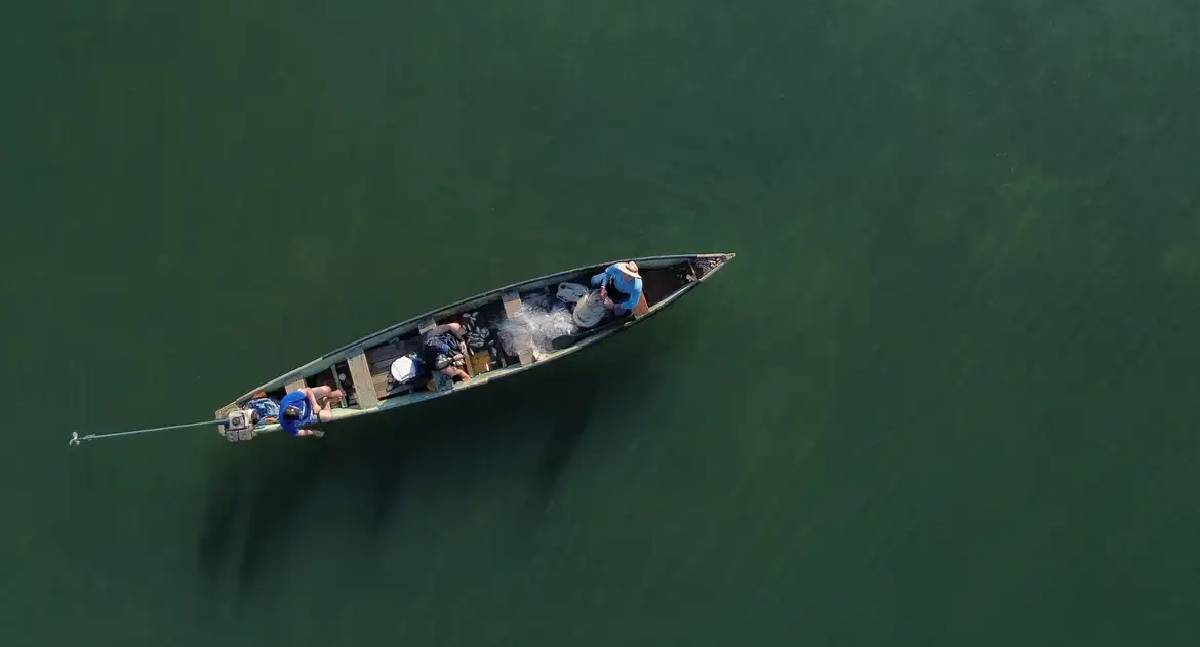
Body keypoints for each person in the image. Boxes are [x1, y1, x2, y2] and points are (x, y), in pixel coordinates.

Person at [278, 386, 344, 438]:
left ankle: (331, 395)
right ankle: (326, 401)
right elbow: (298, 433)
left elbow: (307, 390)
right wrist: (314, 432)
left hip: (307, 399)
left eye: (299, 411)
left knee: (327, 389)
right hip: (310, 415)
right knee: (328, 417)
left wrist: (314, 404)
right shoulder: (286, 425)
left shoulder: (290, 399)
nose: (301, 413)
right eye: (299, 416)